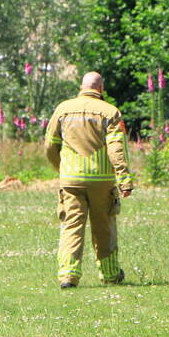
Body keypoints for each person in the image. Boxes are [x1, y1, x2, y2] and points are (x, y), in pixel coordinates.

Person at [44, 72, 133, 289]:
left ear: (81, 86)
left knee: (71, 227)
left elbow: (50, 145)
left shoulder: (63, 109)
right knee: (104, 228)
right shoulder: (110, 112)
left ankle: (68, 276)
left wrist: (61, 168)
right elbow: (116, 149)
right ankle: (110, 274)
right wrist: (124, 178)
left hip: (71, 180)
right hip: (101, 181)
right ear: (101, 88)